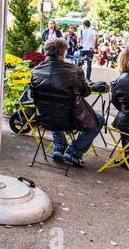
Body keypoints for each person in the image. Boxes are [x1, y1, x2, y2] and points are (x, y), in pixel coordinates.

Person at [30, 37, 104, 168]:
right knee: (99, 119)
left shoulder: (35, 71)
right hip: (69, 120)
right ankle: (74, 152)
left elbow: (32, 94)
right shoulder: (75, 71)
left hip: (44, 117)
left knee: (54, 108)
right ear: (63, 53)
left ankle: (59, 147)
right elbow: (86, 92)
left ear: (46, 52)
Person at [110, 46, 129, 170]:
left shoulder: (118, 81)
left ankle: (128, 159)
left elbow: (116, 103)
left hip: (127, 123)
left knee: (125, 123)